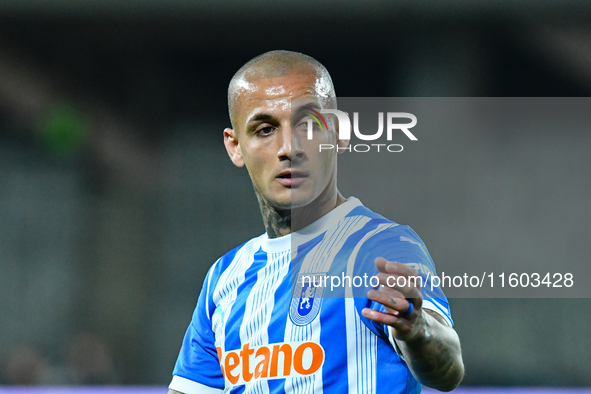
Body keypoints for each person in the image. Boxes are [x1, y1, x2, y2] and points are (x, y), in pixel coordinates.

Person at [168, 50, 464, 394]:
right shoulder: (225, 279)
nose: (289, 147)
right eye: (265, 129)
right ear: (235, 146)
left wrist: (418, 331)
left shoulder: (380, 248)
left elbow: (447, 369)